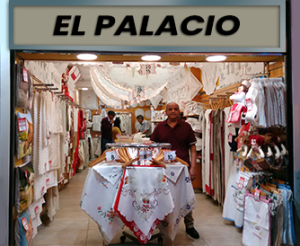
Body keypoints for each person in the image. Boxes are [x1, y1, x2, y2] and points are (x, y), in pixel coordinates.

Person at [150, 102, 200, 239]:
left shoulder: (186, 127)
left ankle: (189, 225)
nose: (173, 111)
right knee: (161, 196)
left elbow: (193, 148)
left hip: (182, 168)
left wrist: (193, 167)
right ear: (165, 112)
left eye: (176, 109)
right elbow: (153, 147)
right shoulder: (159, 127)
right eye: (170, 109)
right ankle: (161, 224)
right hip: (163, 168)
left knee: (186, 195)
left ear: (179, 112)